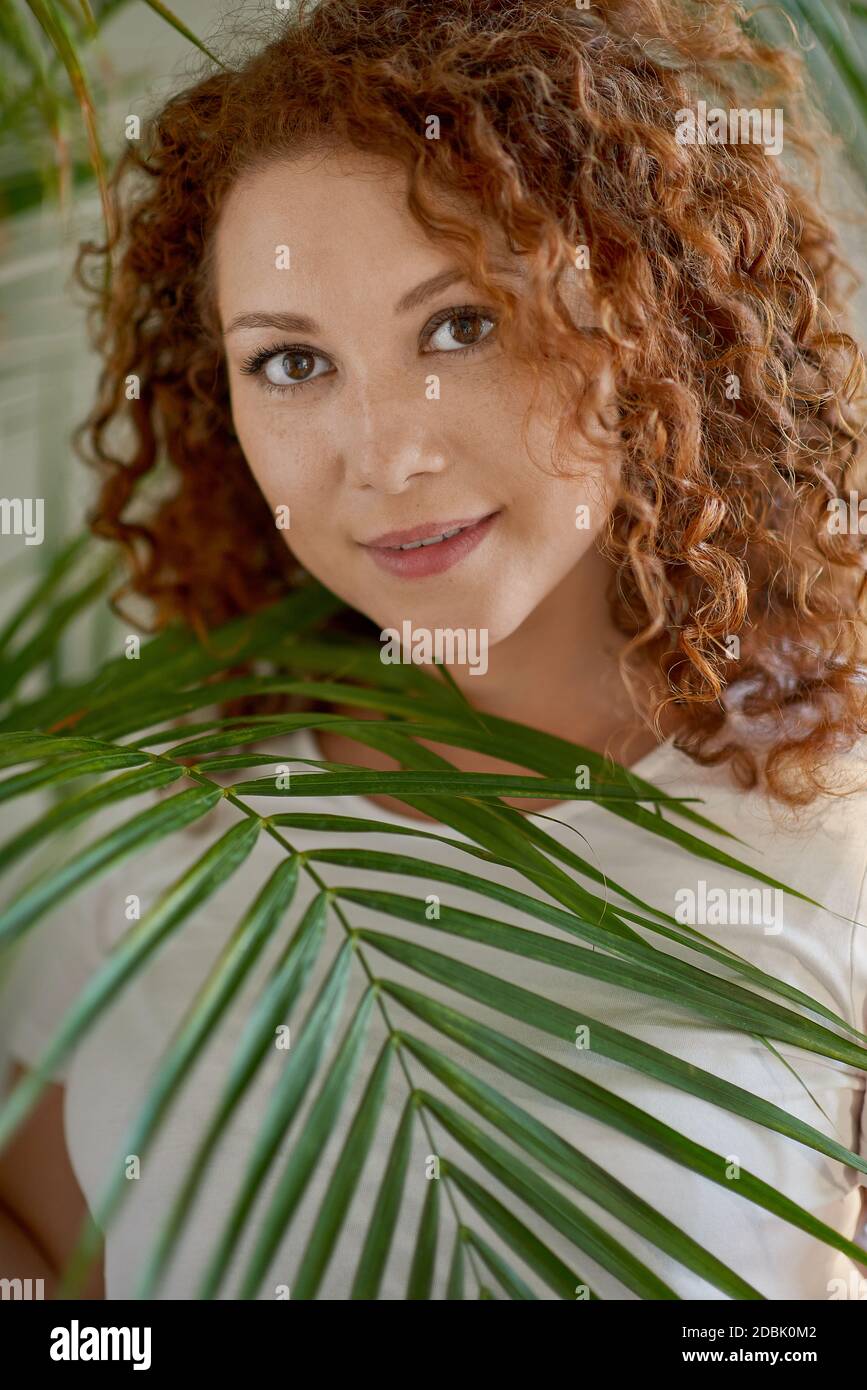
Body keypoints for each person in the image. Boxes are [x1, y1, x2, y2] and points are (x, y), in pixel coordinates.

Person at [2, 0, 867, 1301]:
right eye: (292, 361)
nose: (386, 455)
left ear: (648, 318)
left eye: (460, 326)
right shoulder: (131, 843)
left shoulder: (833, 837)